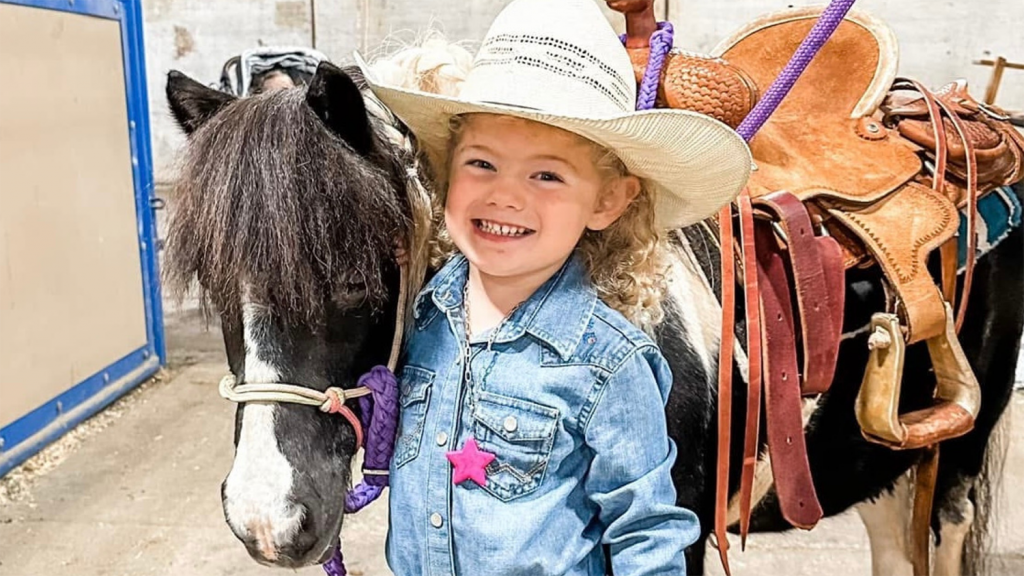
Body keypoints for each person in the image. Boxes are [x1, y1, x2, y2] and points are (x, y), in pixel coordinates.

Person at [355, 0, 751, 573]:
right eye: (482, 164)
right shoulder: (421, 319)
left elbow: (648, 531)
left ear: (608, 200)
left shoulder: (610, 364)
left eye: (547, 174)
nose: (506, 196)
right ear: (447, 173)